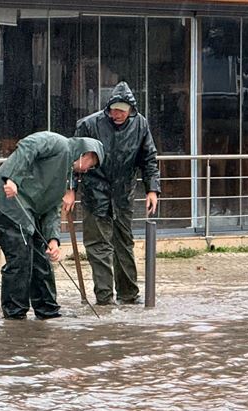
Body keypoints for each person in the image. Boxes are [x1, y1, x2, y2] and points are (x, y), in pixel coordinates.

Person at [0, 132, 104, 320]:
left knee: (41, 258)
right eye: (90, 165)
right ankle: (15, 315)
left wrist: (53, 240)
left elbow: (53, 208)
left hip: (29, 210)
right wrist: (12, 178)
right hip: (6, 202)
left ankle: (48, 310)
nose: (86, 170)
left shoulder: (67, 175)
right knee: (20, 257)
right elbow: (29, 145)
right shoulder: (58, 143)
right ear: (86, 154)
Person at [66, 81, 160, 305]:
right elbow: (73, 159)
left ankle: (128, 294)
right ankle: (105, 297)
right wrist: (70, 189)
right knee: (98, 247)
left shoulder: (140, 125)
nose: (116, 114)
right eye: (113, 109)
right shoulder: (89, 125)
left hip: (123, 194)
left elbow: (149, 158)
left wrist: (152, 189)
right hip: (94, 192)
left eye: (122, 111)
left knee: (124, 244)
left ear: (130, 111)